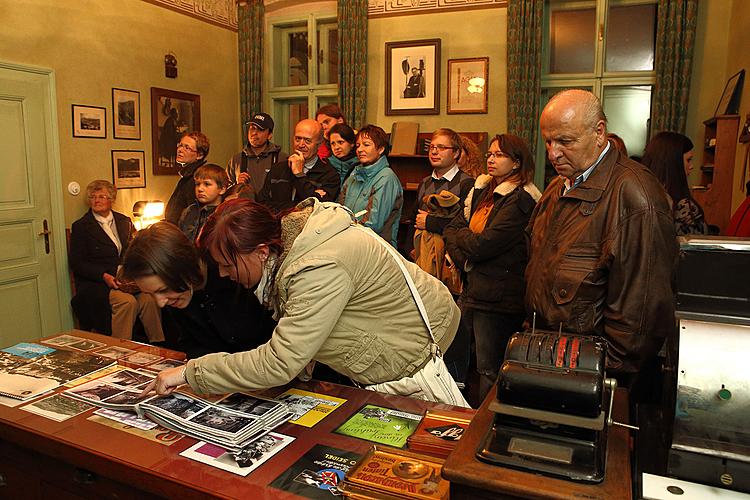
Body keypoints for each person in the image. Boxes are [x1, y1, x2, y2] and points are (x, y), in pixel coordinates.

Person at [128, 198, 460, 398]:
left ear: (260, 252)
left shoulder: (316, 267)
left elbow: (280, 361)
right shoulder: (288, 255)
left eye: (228, 266)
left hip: (420, 351)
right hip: (386, 353)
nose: (225, 275)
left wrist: (189, 373)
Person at [526, 89, 677, 381]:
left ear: (599, 133)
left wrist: (603, 377)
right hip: (551, 360)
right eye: (548, 141)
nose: (553, 153)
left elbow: (640, 320)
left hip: (590, 376)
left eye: (565, 141)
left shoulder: (637, 196)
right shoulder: (558, 186)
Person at [444, 134, 542, 402]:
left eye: (499, 155)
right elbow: (450, 227)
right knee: (457, 357)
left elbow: (484, 245)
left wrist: (465, 244)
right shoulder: (482, 190)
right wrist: (465, 256)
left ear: (516, 163)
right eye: (489, 154)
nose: (491, 159)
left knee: (489, 368)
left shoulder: (521, 200)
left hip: (498, 299)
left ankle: (485, 424)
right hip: (473, 288)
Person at [120, 222, 274, 359]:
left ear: (184, 267)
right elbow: (190, 346)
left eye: (164, 290)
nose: (160, 303)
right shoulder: (177, 297)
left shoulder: (233, 273)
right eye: (150, 294)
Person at [70, 180, 164, 343]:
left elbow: (134, 249)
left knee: (149, 299)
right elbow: (78, 263)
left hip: (126, 280)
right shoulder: (82, 226)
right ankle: (120, 349)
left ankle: (158, 344)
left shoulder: (124, 221)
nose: (96, 200)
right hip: (97, 283)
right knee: (127, 303)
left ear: (111, 199)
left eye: (102, 196)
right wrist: (104, 276)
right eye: (92, 197)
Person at [409, 129, 474, 259]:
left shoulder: (467, 183)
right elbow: (414, 219)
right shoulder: (425, 182)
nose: (434, 152)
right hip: (421, 254)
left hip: (449, 258)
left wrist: (430, 222)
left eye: (441, 147)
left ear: (456, 153)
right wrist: (410, 249)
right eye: (432, 147)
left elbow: (465, 225)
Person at [338, 125, 403, 247]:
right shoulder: (353, 175)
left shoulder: (386, 178)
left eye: (366, 145)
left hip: (376, 247)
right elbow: (339, 210)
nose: (360, 149)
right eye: (358, 145)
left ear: (381, 149)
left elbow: (373, 223)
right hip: (349, 243)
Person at [256, 119, 340, 213]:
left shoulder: (330, 175)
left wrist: (299, 175)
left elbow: (321, 210)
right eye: (298, 139)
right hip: (276, 226)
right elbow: (261, 204)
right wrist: (297, 207)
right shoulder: (277, 169)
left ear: (319, 144)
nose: (301, 145)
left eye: (307, 141)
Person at [641, 131, 709, 235]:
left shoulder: (639, 194)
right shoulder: (682, 207)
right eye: (688, 160)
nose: (691, 166)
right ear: (674, 162)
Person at [225, 112, 288, 195]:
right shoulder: (236, 160)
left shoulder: (282, 158)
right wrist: (237, 184)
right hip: (245, 207)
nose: (254, 133)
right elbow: (224, 191)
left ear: (270, 135)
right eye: (252, 128)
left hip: (272, 207)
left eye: (260, 129)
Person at [164, 131, 210, 224]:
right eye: (180, 145)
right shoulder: (187, 175)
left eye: (187, 148)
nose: (180, 150)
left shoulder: (197, 177)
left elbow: (194, 217)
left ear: (199, 155)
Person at [178, 164, 229, 242]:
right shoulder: (189, 211)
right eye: (197, 184)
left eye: (207, 184)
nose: (200, 189)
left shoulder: (225, 214)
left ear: (222, 189)